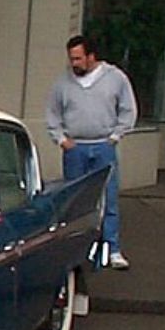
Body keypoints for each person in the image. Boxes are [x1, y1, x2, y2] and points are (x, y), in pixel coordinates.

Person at [46, 34, 137, 270]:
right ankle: (74, 249)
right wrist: (61, 139)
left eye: (78, 59)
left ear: (91, 56)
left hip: (103, 145)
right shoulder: (63, 83)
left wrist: (115, 137)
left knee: (108, 198)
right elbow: (53, 114)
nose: (73, 64)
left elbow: (128, 110)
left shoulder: (115, 79)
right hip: (75, 148)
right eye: (71, 59)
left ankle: (112, 249)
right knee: (74, 200)